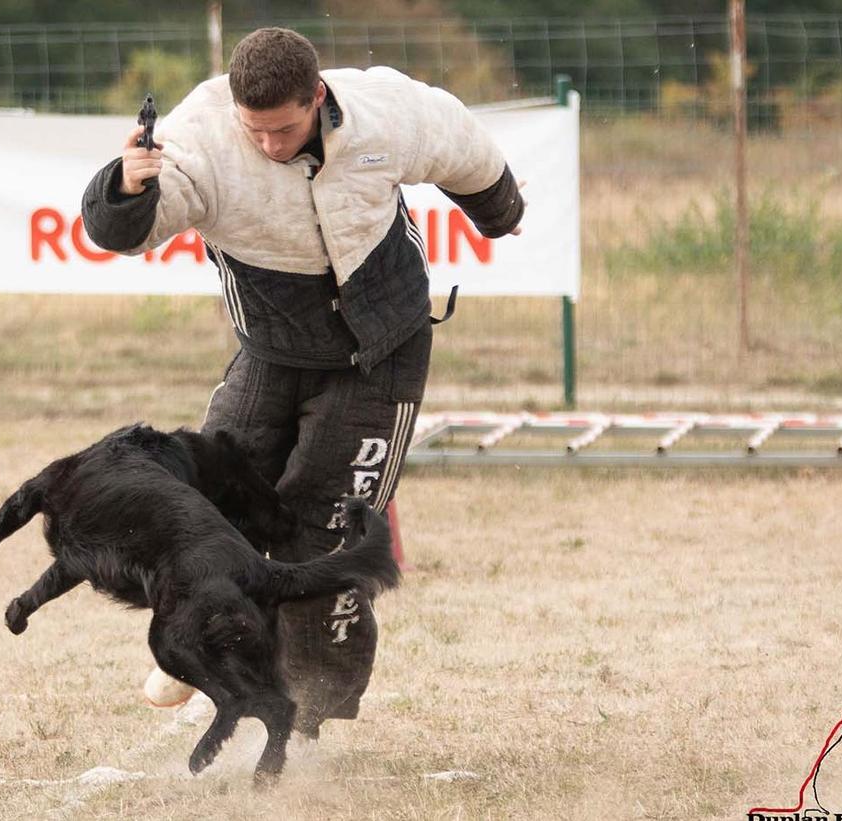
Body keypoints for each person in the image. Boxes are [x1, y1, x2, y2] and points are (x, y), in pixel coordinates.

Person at [81, 26, 525, 737]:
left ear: (317, 97)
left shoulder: (385, 112)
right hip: (271, 347)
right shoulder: (200, 137)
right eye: (253, 131)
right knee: (204, 502)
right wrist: (123, 189)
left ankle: (304, 713)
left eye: (283, 129)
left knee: (323, 536)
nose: (268, 145)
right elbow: (123, 231)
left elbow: (460, 141)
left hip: (381, 348)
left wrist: (501, 211)